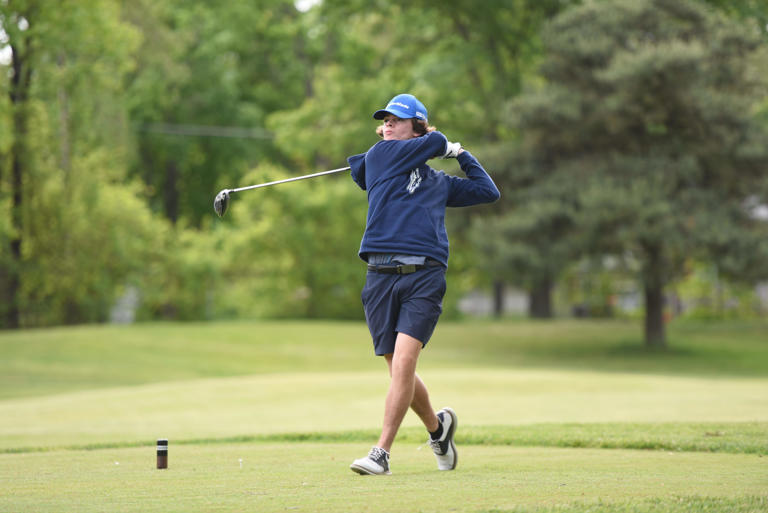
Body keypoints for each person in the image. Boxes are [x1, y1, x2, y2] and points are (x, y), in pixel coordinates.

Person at [347, 94, 500, 475]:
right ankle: (438, 429)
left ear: (415, 124)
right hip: (379, 277)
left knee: (403, 364)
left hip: (424, 276)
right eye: (384, 121)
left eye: (395, 121)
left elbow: (487, 191)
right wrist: (443, 143)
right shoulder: (380, 157)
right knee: (398, 369)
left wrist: (462, 154)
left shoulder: (439, 183)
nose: (387, 126)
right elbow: (433, 142)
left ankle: (380, 452)